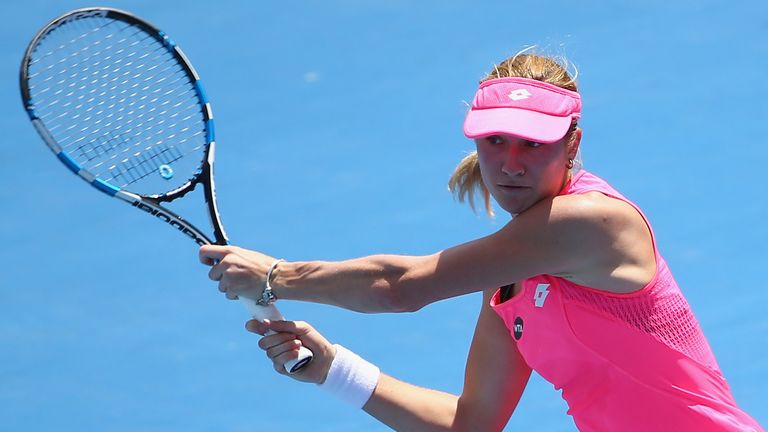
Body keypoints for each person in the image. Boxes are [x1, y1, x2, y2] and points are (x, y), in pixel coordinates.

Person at [200, 53, 764, 431]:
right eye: (495, 141)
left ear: (572, 145)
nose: (511, 163)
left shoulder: (591, 222)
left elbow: (399, 287)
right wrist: (333, 370)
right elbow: (473, 423)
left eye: (533, 144)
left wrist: (278, 276)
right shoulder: (507, 280)